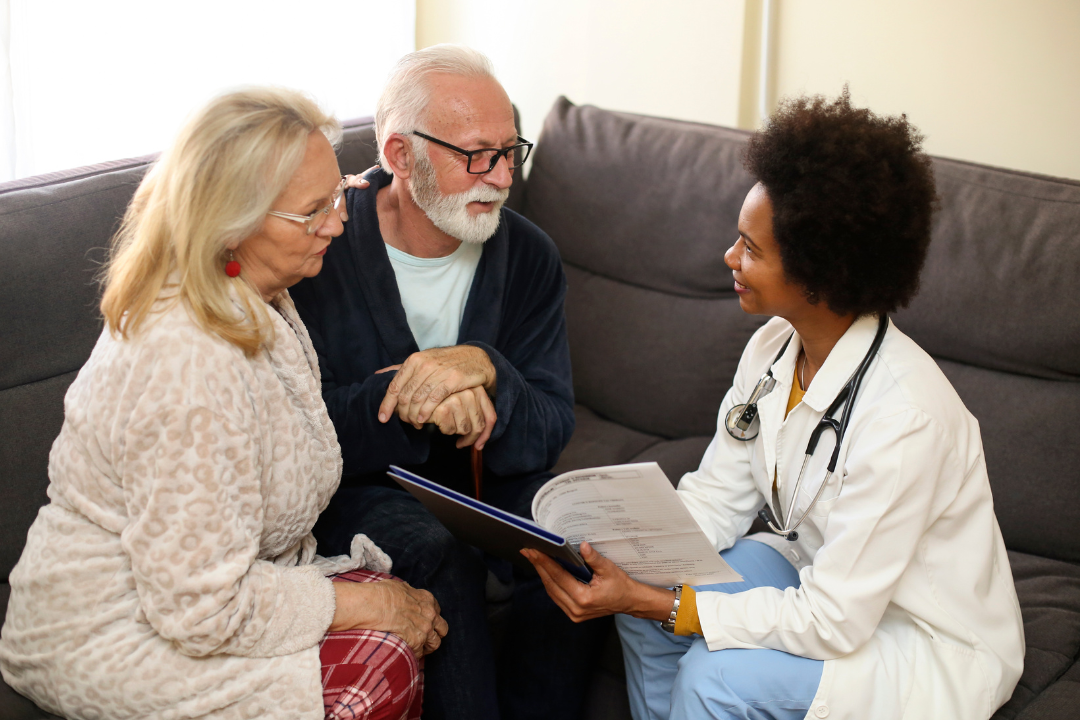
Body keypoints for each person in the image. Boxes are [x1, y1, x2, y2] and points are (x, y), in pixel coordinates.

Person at [523, 90, 1025, 720]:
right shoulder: (771, 349)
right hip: (824, 574)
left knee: (714, 673)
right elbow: (717, 497)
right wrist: (621, 552)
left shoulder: (906, 419)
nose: (730, 259)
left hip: (920, 638)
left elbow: (834, 618)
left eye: (752, 250)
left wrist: (658, 602)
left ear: (823, 272)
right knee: (647, 604)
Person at [0, 87, 447, 720]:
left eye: (337, 194)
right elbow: (201, 608)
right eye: (313, 211)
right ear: (231, 221)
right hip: (109, 631)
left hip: (185, 598)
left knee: (408, 593)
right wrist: (368, 606)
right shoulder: (187, 362)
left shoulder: (255, 296)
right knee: (382, 654)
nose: (339, 223)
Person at [290, 45, 604, 720]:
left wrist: (488, 369)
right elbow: (296, 433)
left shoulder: (527, 255)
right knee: (435, 552)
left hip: (487, 482)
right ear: (400, 155)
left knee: (575, 549)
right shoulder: (323, 246)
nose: (500, 177)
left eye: (509, 151)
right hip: (358, 488)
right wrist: (414, 397)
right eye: (475, 155)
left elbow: (550, 424)